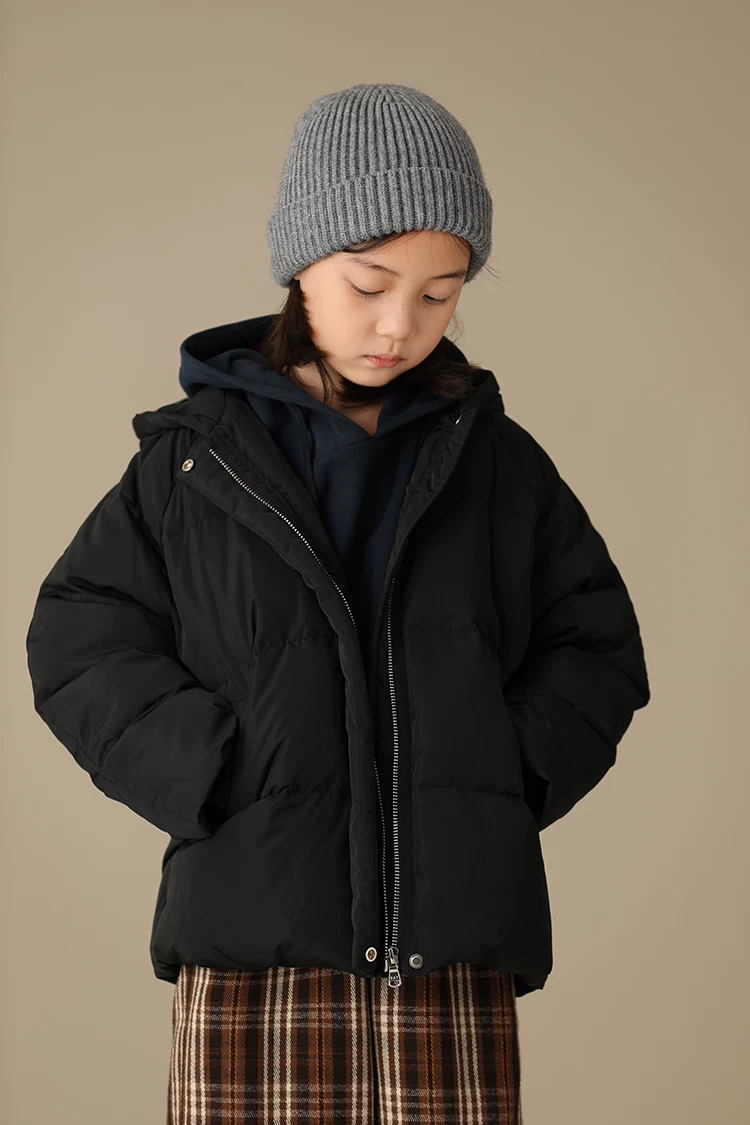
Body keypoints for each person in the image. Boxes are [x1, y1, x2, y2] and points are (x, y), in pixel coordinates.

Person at [25, 83, 651, 1124]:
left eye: (440, 294)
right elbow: (77, 633)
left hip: (448, 954)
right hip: (254, 942)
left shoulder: (496, 464)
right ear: (301, 263)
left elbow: (597, 640)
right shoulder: (194, 463)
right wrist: (214, 767)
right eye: (369, 285)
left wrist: (501, 772)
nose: (400, 325)